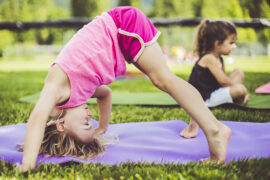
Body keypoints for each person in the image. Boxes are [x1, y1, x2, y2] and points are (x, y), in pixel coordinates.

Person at [20, 7, 231, 172]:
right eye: (90, 122)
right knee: (162, 78)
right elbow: (105, 94)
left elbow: (37, 119)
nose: (90, 115)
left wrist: (27, 165)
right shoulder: (75, 96)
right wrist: (101, 128)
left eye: (86, 123)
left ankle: (214, 130)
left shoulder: (55, 89)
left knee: (162, 79)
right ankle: (205, 123)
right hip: (121, 38)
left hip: (122, 26)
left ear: (61, 124)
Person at [180, 19, 249, 139]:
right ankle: (238, 101)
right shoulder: (209, 58)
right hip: (205, 98)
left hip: (214, 90)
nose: (234, 46)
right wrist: (237, 90)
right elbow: (223, 81)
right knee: (240, 89)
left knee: (238, 73)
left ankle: (235, 99)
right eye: (231, 43)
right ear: (217, 43)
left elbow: (223, 80)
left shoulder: (219, 58)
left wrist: (232, 86)